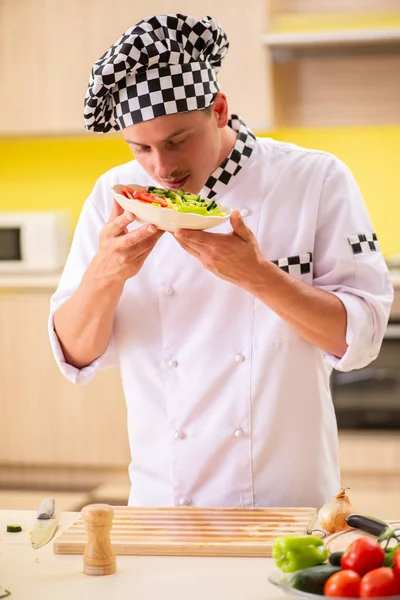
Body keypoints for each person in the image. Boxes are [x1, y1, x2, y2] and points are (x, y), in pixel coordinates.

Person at [49, 14, 393, 508]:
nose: (161, 169)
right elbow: (75, 356)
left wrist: (257, 275)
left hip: (288, 500)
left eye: (177, 141)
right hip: (164, 499)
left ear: (219, 110)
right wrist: (107, 273)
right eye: (140, 148)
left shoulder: (313, 179)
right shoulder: (114, 195)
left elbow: (360, 342)